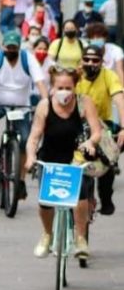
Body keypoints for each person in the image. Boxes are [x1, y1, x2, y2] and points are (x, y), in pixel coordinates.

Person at [25, 66, 101, 259]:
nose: (64, 92)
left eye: (68, 88)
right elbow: (34, 136)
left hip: (75, 159)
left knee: (80, 196)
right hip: (49, 159)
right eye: (60, 88)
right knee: (45, 201)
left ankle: (80, 238)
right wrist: (31, 156)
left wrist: (90, 143)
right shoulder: (44, 106)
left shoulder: (84, 103)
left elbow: (96, 132)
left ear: (75, 87)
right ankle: (47, 235)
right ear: (52, 87)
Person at [0, 31, 48, 199]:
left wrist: (45, 102)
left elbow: (40, 83)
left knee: (25, 141)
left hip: (22, 106)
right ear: (3, 47)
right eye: (8, 47)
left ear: (19, 47)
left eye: (14, 48)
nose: (11, 50)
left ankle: (21, 179)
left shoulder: (28, 59)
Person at [75, 45, 124, 215]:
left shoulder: (109, 76)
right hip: (77, 124)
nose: (90, 63)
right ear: (81, 60)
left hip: (103, 125)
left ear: (102, 62)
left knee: (108, 157)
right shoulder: (75, 76)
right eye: (86, 59)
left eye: (95, 60)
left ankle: (106, 197)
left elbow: (120, 101)